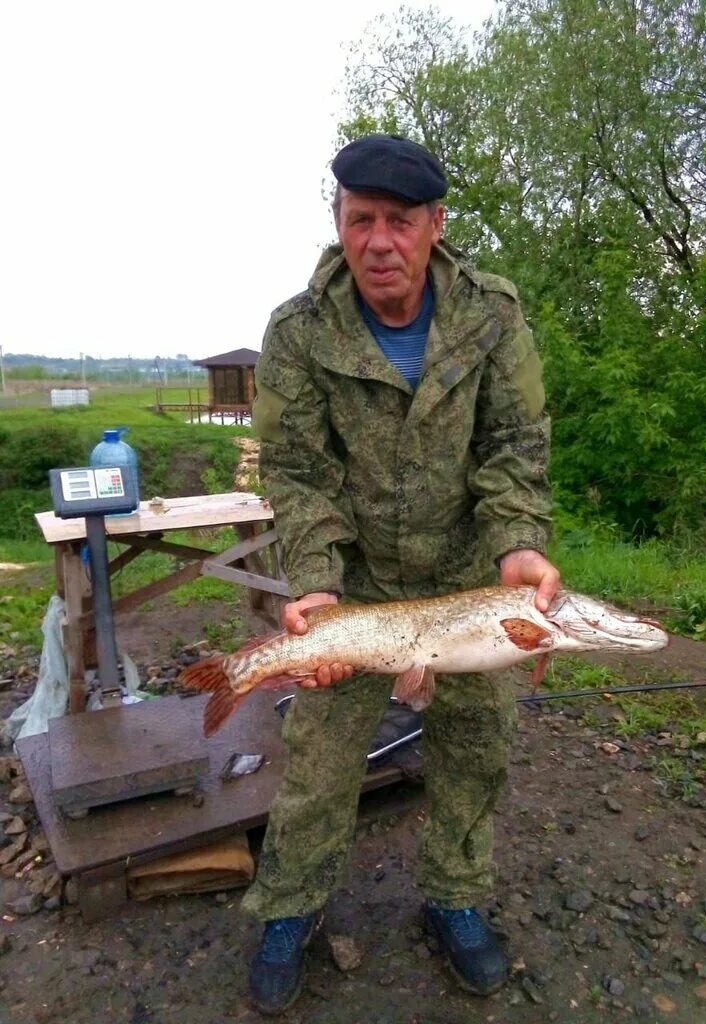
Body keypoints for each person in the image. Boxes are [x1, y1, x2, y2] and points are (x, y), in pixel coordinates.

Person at [245, 133, 560, 1015]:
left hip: (470, 582)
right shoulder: (298, 331)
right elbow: (298, 472)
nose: (379, 241)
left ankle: (455, 895)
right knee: (319, 756)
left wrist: (519, 545)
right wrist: (314, 582)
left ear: (434, 225)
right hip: (355, 586)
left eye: (399, 221)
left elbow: (512, 449)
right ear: (339, 222)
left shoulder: (492, 315)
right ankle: (291, 905)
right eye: (360, 220)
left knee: (474, 744)